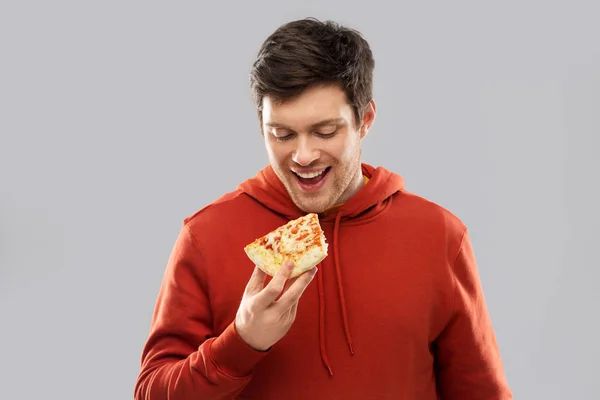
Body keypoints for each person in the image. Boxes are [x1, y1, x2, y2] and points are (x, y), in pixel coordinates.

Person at [134, 17, 513, 400]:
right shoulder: (206, 235)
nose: (303, 156)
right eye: (282, 134)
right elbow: (150, 392)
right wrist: (241, 342)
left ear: (364, 120)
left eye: (325, 132)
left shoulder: (439, 235)